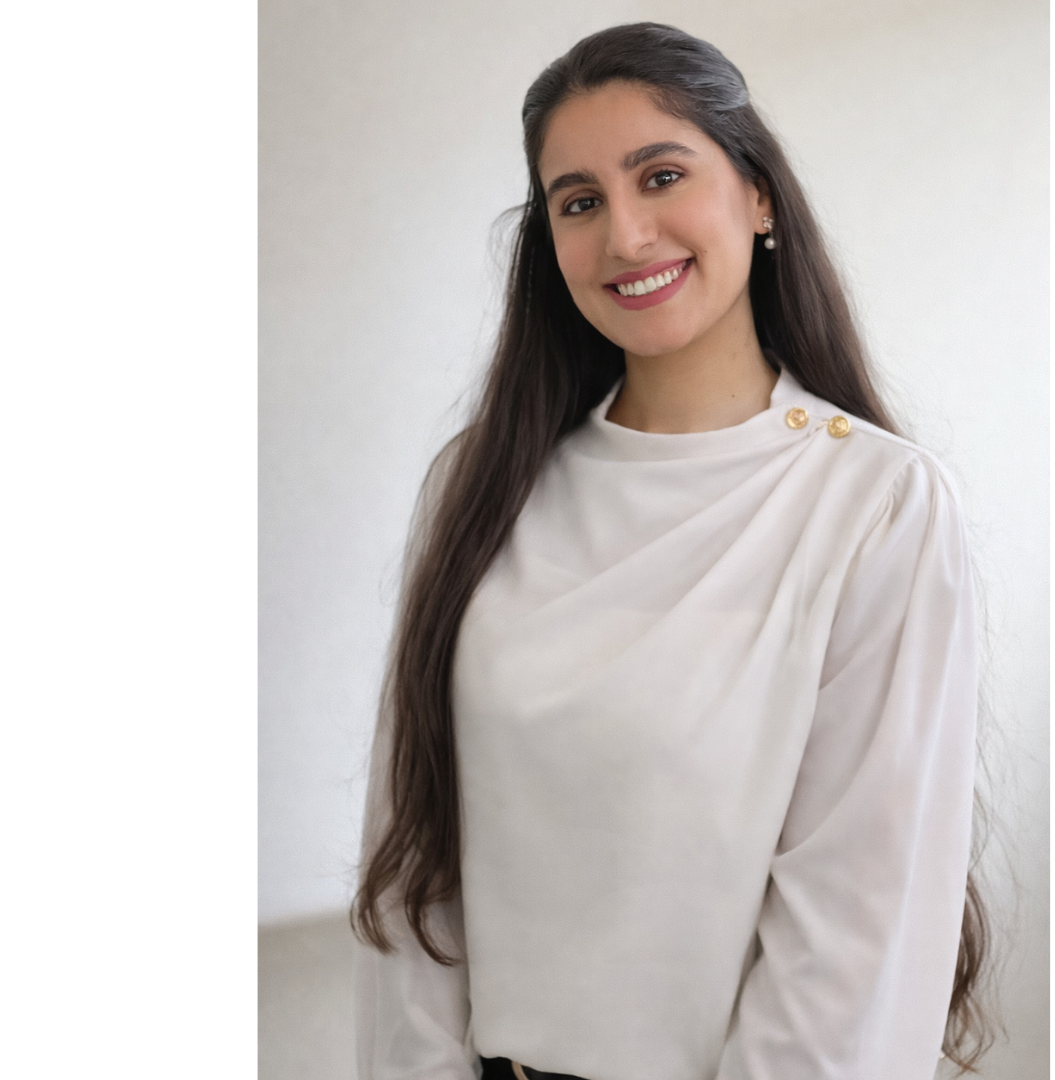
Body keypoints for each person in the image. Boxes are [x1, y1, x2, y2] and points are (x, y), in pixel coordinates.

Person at [352, 22, 993, 1080]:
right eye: (579, 202)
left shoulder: (875, 505)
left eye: (661, 176)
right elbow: (415, 853)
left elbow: (855, 934)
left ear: (758, 195)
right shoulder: (484, 483)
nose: (626, 234)